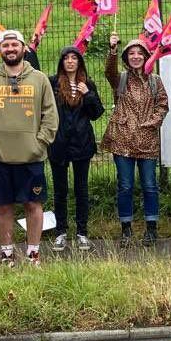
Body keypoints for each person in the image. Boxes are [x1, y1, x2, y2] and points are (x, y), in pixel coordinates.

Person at [0, 30, 57, 266]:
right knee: (3, 207)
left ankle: (33, 254)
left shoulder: (39, 79)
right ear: (0, 50)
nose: (10, 49)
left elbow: (50, 114)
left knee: (33, 205)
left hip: (32, 157)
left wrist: (40, 141)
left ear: (23, 48)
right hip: (0, 157)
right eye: (5, 45)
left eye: (14, 45)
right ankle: (7, 254)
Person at [103, 32, 167, 247]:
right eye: (131, 53)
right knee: (125, 186)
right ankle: (126, 230)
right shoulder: (120, 79)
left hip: (147, 141)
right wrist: (112, 50)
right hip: (122, 142)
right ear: (126, 57)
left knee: (150, 186)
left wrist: (152, 122)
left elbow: (163, 105)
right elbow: (108, 71)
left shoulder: (155, 81)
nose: (136, 57)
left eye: (140, 53)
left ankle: (151, 228)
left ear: (147, 56)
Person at [45, 47, 105, 251]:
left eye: (74, 58)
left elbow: (97, 113)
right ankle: (60, 232)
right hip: (58, 143)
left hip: (82, 144)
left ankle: (82, 233)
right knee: (60, 190)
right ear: (61, 62)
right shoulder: (52, 83)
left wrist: (87, 95)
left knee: (81, 189)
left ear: (79, 62)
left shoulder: (87, 83)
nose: (70, 61)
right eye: (66, 58)